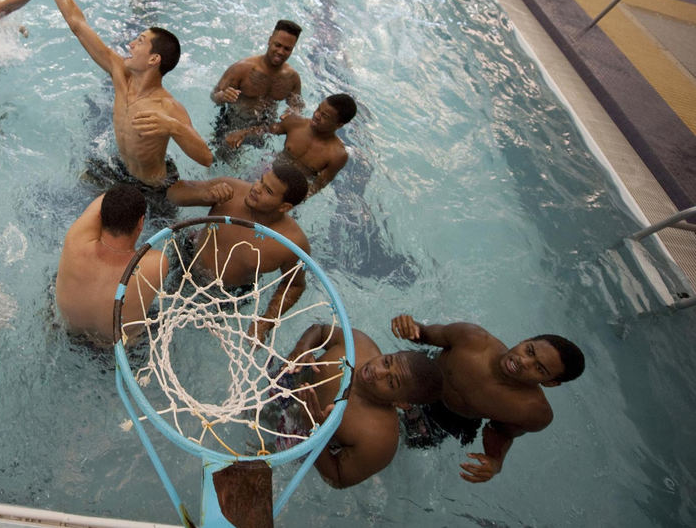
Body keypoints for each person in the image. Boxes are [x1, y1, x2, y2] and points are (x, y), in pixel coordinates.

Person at [30, 0, 213, 191]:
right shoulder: (120, 74)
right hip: (119, 168)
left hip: (153, 187)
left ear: (153, 59)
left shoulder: (167, 107)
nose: (130, 44)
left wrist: (173, 127)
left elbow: (206, 158)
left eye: (139, 42)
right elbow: (77, 24)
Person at [390, 315, 585, 483]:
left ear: (550, 383)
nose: (523, 362)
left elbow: (501, 431)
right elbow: (423, 334)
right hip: (427, 376)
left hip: (452, 420)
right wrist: (410, 327)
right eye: (529, 350)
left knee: (407, 442)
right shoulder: (472, 339)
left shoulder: (532, 411)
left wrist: (495, 461)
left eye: (539, 368)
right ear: (525, 340)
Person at [273, 324, 443, 488]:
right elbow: (321, 330)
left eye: (391, 382)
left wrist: (315, 431)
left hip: (308, 435)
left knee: (263, 454)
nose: (378, 372)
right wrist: (302, 348)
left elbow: (338, 478)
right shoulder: (358, 345)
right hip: (294, 381)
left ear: (400, 403)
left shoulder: (378, 439)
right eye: (386, 362)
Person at [166, 161, 309, 341]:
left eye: (268, 191)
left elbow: (294, 285)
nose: (257, 188)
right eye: (261, 181)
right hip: (187, 259)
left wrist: (266, 321)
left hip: (226, 294)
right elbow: (172, 194)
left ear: (284, 207)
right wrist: (203, 195)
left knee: (188, 333)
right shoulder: (231, 191)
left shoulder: (291, 243)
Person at [55, 185, 167, 346]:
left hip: (68, 333)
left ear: (100, 216)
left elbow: (101, 202)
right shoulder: (156, 263)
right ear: (141, 223)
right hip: (116, 349)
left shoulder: (75, 239)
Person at [224, 93, 356, 197]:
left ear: (339, 125)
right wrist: (244, 132)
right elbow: (266, 129)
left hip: (291, 192)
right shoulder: (296, 123)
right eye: (318, 109)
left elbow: (319, 184)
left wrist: (297, 201)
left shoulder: (337, 155)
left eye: (324, 116)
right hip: (269, 172)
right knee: (235, 193)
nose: (316, 115)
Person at [211, 19, 304, 140]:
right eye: (278, 45)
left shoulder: (292, 79)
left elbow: (297, 106)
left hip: (262, 130)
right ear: (269, 40)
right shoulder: (241, 69)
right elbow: (214, 95)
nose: (281, 52)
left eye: (287, 49)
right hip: (232, 123)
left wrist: (294, 112)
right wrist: (223, 96)